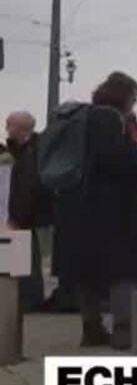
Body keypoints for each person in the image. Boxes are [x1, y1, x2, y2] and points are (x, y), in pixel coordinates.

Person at [52, 72, 137, 349]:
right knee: (122, 270)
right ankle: (122, 329)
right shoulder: (109, 120)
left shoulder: (78, 118)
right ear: (124, 97)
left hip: (73, 206)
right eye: (134, 98)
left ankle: (91, 328)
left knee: (85, 271)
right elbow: (116, 161)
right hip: (108, 208)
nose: (135, 103)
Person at [5, 111, 52, 312]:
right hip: (28, 216)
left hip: (23, 217)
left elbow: (26, 188)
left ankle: (26, 302)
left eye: (9, 125)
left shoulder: (29, 154)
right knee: (26, 261)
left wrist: (16, 218)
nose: (7, 130)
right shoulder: (32, 149)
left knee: (24, 264)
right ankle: (26, 300)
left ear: (19, 128)